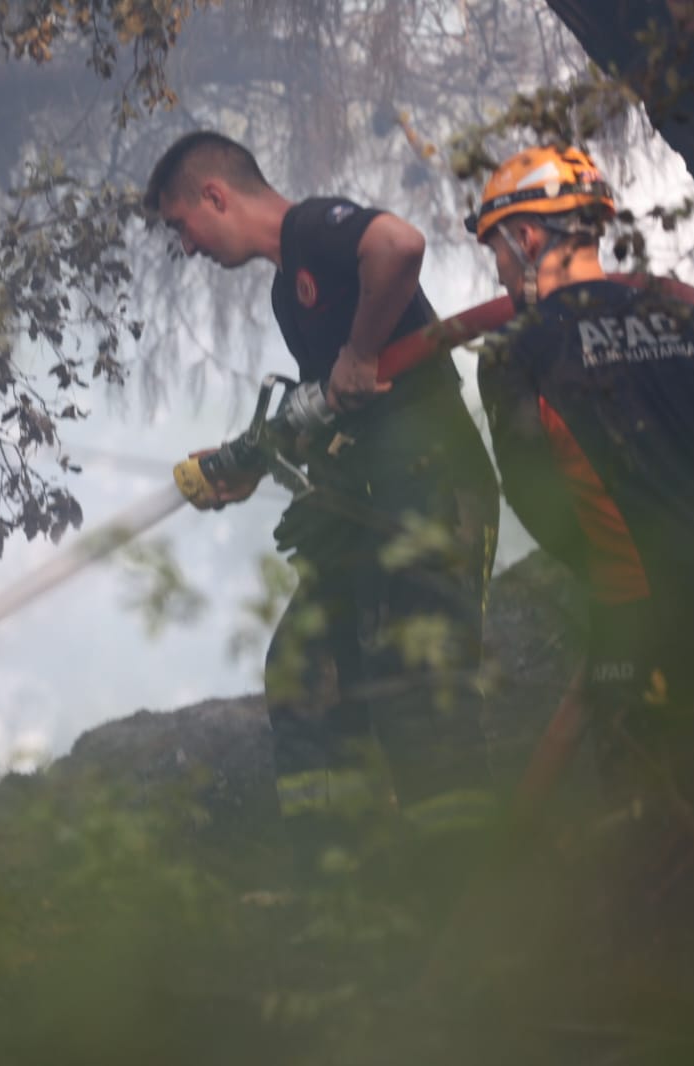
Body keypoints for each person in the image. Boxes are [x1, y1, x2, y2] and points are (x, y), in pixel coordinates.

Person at [144, 131, 501, 846]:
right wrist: (247, 464)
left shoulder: (313, 229)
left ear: (215, 196)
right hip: (373, 500)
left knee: (413, 678)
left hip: (430, 489)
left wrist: (363, 349)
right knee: (305, 669)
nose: (185, 248)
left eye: (181, 225)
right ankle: (335, 880)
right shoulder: (288, 292)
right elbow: (334, 404)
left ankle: (464, 878)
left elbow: (397, 246)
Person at [465, 145, 694, 802]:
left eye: (496, 250)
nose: (499, 268)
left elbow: (533, 496)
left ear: (527, 236)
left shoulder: (515, 351)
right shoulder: (684, 314)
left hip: (637, 606)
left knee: (653, 804)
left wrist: (604, 569)